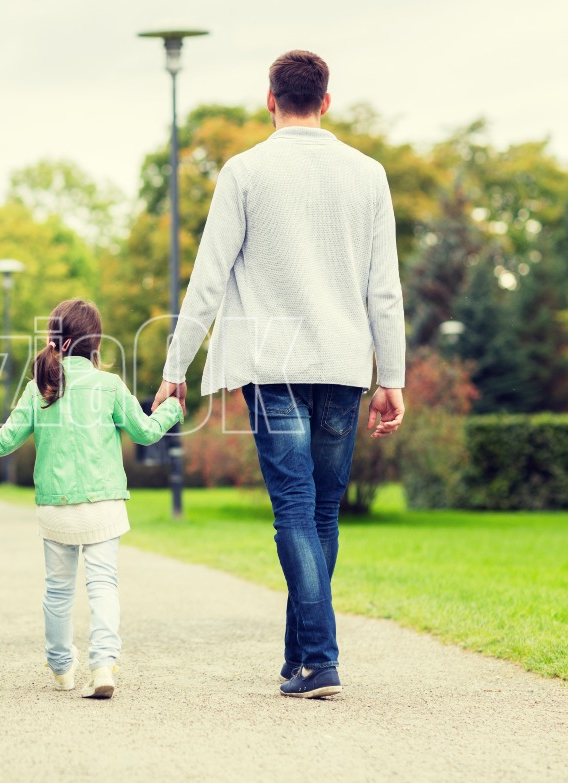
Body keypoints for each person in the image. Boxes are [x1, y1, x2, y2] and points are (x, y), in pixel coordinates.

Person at [153, 50, 407, 699]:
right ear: (326, 100)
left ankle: (319, 657)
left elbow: (207, 280)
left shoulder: (244, 172)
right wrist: (393, 377)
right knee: (321, 510)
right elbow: (385, 291)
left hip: (272, 367)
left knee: (296, 506)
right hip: (345, 366)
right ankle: (302, 656)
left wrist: (173, 368)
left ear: (270, 99)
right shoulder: (368, 174)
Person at [0, 300, 182, 699]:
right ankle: (102, 666)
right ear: (96, 344)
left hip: (55, 508)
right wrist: (171, 409)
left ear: (54, 339)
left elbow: (2, 442)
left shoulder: (39, 388)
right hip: (104, 505)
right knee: (104, 585)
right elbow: (147, 432)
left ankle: (62, 667)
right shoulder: (110, 386)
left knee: (58, 591)